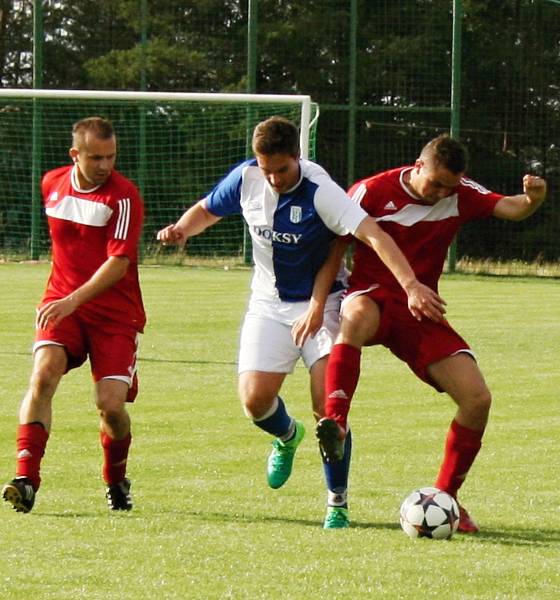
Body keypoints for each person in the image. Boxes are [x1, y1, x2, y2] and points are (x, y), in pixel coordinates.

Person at [156, 116, 442, 529]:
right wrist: (182, 229)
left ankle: (337, 503)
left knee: (328, 407)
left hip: (324, 306)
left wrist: (411, 285)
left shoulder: (321, 191)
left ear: (297, 157)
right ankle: (287, 436)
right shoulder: (247, 177)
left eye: (281, 169)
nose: (272, 178)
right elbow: (207, 209)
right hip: (268, 304)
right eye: (266, 169)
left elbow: (375, 235)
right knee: (254, 401)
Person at [315, 134, 547, 533]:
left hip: (422, 311)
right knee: (353, 316)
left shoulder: (460, 193)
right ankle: (335, 421)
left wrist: (534, 199)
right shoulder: (371, 191)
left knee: (477, 399)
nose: (441, 192)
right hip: (375, 297)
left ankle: (448, 496)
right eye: (435, 183)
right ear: (418, 166)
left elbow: (512, 209)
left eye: (449, 186)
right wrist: (319, 303)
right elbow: (336, 248)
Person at [2, 117, 146, 513]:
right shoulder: (51, 183)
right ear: (74, 155)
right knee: (42, 376)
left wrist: (72, 300)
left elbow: (118, 263)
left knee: (110, 406)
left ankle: (116, 478)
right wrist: (64, 300)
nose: (105, 165)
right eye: (96, 157)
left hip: (115, 316)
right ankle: (26, 478)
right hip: (62, 304)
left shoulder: (124, 197)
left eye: (111, 156)